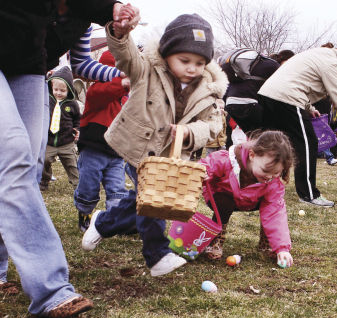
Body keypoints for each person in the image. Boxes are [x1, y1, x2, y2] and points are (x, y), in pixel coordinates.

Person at [0, 0, 137, 318]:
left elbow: (82, 65)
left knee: (30, 167)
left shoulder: (82, 14)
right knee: (15, 156)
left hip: (28, 70)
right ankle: (51, 289)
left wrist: (122, 75)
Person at [81, 14, 228, 277]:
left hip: (172, 156)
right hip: (141, 148)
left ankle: (102, 223)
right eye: (185, 60)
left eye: (199, 62)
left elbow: (213, 124)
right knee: (154, 203)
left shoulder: (209, 89)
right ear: (167, 53)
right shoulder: (147, 70)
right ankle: (157, 255)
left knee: (144, 198)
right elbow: (126, 57)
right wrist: (120, 34)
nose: (192, 68)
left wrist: (189, 132)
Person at [258, 43, 337, 207]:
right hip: (287, 99)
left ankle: (257, 185)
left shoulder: (321, 54)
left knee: (274, 145)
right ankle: (309, 194)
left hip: (268, 95)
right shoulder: (332, 63)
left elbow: (300, 80)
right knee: (308, 143)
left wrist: (309, 108)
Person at [199, 130, 294, 267]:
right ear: (252, 155)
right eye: (265, 171)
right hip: (222, 197)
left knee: (270, 207)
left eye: (276, 173)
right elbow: (207, 165)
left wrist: (281, 248)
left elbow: (275, 213)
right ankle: (216, 239)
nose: (269, 177)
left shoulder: (272, 182)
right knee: (224, 201)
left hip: (250, 200)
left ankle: (267, 243)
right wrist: (203, 173)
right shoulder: (227, 160)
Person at [74, 50, 129, 232]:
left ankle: (113, 220)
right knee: (89, 185)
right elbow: (108, 91)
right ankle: (85, 211)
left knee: (117, 188)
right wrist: (122, 82)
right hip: (93, 148)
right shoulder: (97, 89)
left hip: (116, 151)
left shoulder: (125, 97)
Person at [40, 67, 81, 191]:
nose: (58, 93)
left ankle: (77, 185)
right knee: (44, 160)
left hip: (66, 142)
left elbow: (78, 120)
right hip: (50, 141)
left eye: (62, 90)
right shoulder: (47, 100)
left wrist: (77, 129)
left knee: (72, 164)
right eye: (56, 89)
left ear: (69, 89)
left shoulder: (72, 104)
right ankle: (44, 181)